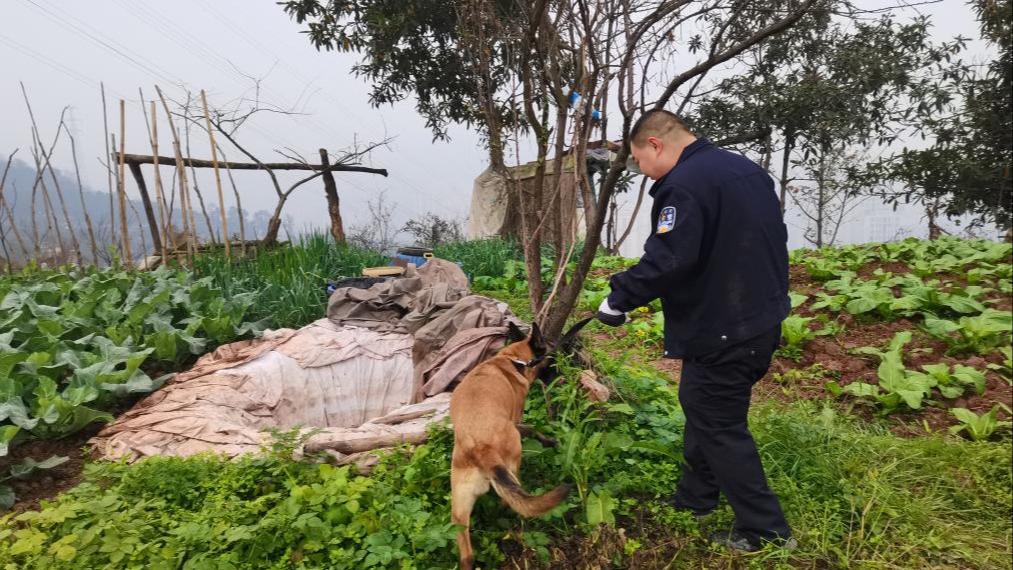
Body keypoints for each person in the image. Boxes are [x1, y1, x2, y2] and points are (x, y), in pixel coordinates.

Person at [596, 109, 796, 552]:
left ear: (655, 145)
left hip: (727, 323)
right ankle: (696, 499)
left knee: (719, 421)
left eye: (638, 162)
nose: (643, 174)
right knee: (706, 406)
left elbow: (670, 258)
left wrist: (618, 298)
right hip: (758, 316)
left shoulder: (683, 186)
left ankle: (766, 531)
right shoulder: (744, 170)